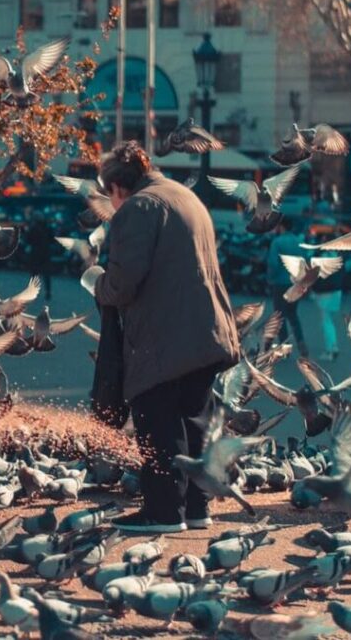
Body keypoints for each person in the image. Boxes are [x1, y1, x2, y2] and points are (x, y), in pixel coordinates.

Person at [86, 141, 240, 533]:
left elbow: (122, 284)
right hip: (206, 333)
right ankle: (195, 507)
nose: (112, 204)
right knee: (193, 421)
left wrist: (99, 285)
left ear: (117, 187)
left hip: (164, 337)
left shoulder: (139, 208)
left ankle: (163, 512)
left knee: (157, 422)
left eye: (110, 195)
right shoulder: (185, 196)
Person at [265, 217, 309, 357]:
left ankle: (285, 347)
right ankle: (301, 343)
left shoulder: (277, 242)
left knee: (280, 315)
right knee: (292, 314)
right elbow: (305, 264)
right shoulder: (299, 242)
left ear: (281, 226)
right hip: (295, 284)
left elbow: (273, 264)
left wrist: (270, 278)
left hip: (280, 283)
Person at [310, 239, 343, 362]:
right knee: (329, 320)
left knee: (326, 321)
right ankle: (332, 347)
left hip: (324, 293)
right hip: (336, 292)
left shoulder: (320, 258)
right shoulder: (336, 256)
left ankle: (331, 349)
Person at [25, 210, 53, 300]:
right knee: (46, 274)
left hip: (36, 253)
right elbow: (52, 238)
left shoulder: (33, 228)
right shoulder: (47, 227)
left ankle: (33, 292)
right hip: (45, 252)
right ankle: (48, 292)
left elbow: (28, 239)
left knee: (34, 273)